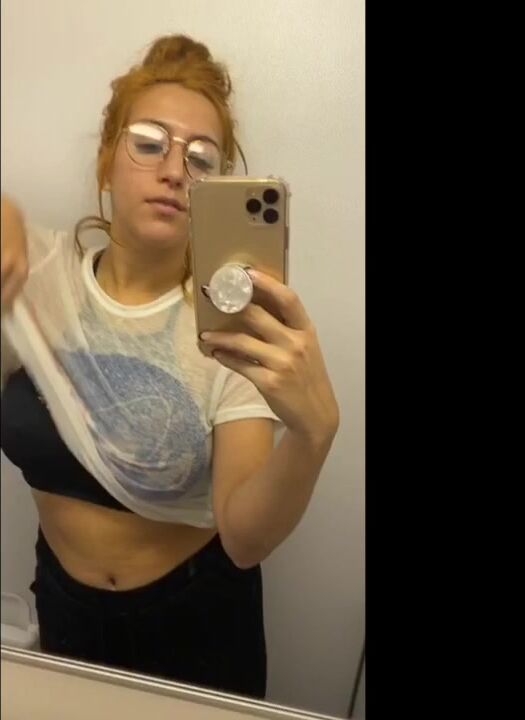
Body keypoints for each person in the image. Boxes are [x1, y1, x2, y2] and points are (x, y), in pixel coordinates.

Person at [0, 34, 339, 699]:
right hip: (63, 608)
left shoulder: (232, 321)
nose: (175, 170)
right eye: (150, 143)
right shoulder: (38, 274)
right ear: (107, 161)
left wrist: (313, 436)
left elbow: (243, 540)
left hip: (197, 622)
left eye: (202, 158)